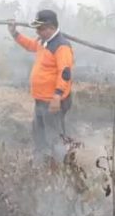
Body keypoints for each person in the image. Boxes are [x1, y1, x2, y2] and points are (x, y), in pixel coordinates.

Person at [8, 10, 74, 163]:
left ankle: (62, 169)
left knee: (54, 137)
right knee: (39, 134)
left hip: (53, 101)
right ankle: (41, 166)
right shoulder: (43, 41)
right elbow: (30, 45)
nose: (37, 32)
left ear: (49, 28)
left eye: (40, 29)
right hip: (41, 100)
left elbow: (65, 73)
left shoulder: (61, 46)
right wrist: (14, 33)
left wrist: (57, 95)